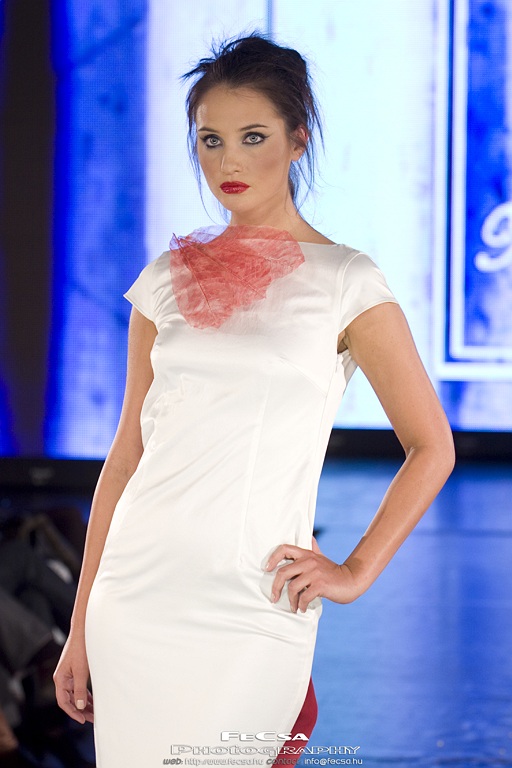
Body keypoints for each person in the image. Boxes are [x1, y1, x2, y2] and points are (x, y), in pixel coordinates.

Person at [53, 33, 455, 768]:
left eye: (253, 137)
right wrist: (79, 626)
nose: (228, 162)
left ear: (298, 140)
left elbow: (432, 446)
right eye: (210, 139)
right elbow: (127, 458)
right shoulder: (164, 278)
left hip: (252, 603)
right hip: (134, 597)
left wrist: (354, 572)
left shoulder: (346, 281)